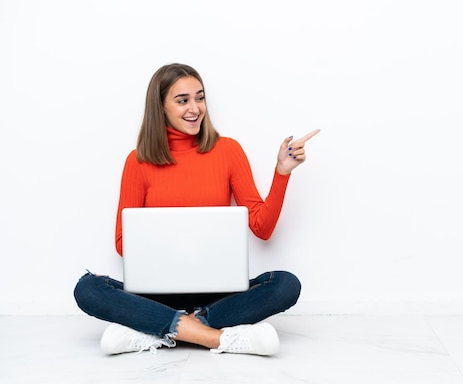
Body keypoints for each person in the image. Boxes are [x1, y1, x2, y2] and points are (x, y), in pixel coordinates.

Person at [73, 63, 319, 356]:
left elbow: (262, 228)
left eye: (199, 98)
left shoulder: (228, 151)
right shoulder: (138, 161)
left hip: (218, 294)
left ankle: (160, 330)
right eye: (182, 100)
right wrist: (170, 240)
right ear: (160, 107)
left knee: (285, 285)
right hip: (155, 293)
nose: (195, 108)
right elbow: (122, 244)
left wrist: (282, 172)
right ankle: (213, 337)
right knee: (87, 288)